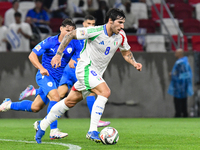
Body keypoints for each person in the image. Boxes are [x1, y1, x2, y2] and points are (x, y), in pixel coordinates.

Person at [34, 8, 142, 144]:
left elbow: (126, 53)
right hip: (85, 68)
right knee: (105, 91)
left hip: (95, 74)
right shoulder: (95, 31)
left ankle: (42, 126)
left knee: (69, 102)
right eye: (120, 23)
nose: (122, 26)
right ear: (110, 21)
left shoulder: (121, 35)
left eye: (123, 23)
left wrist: (134, 63)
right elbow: (70, 35)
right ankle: (92, 131)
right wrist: (58, 54)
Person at [19, 15, 110, 127]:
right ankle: (54, 129)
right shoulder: (73, 37)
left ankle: (32, 95)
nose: (90, 26)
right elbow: (72, 55)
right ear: (84, 25)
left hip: (75, 70)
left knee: (43, 103)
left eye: (93, 24)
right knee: (59, 96)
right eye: (88, 24)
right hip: (68, 71)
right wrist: (71, 59)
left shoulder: (88, 37)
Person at [0, 18, 82, 140]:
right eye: (67, 30)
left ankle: (8, 105)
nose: (69, 33)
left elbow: (77, 59)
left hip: (56, 80)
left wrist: (75, 62)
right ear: (60, 29)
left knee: (35, 107)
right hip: (44, 76)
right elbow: (32, 55)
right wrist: (41, 68)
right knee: (56, 97)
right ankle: (53, 131)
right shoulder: (50, 41)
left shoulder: (76, 43)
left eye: (72, 31)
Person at [168, 49, 194, 117]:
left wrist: (172, 74)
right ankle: (185, 114)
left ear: (179, 54)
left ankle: (178, 114)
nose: (175, 54)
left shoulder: (179, 63)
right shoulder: (186, 62)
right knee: (184, 100)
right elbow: (187, 74)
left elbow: (177, 73)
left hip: (178, 85)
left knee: (177, 101)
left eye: (176, 53)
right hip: (184, 85)